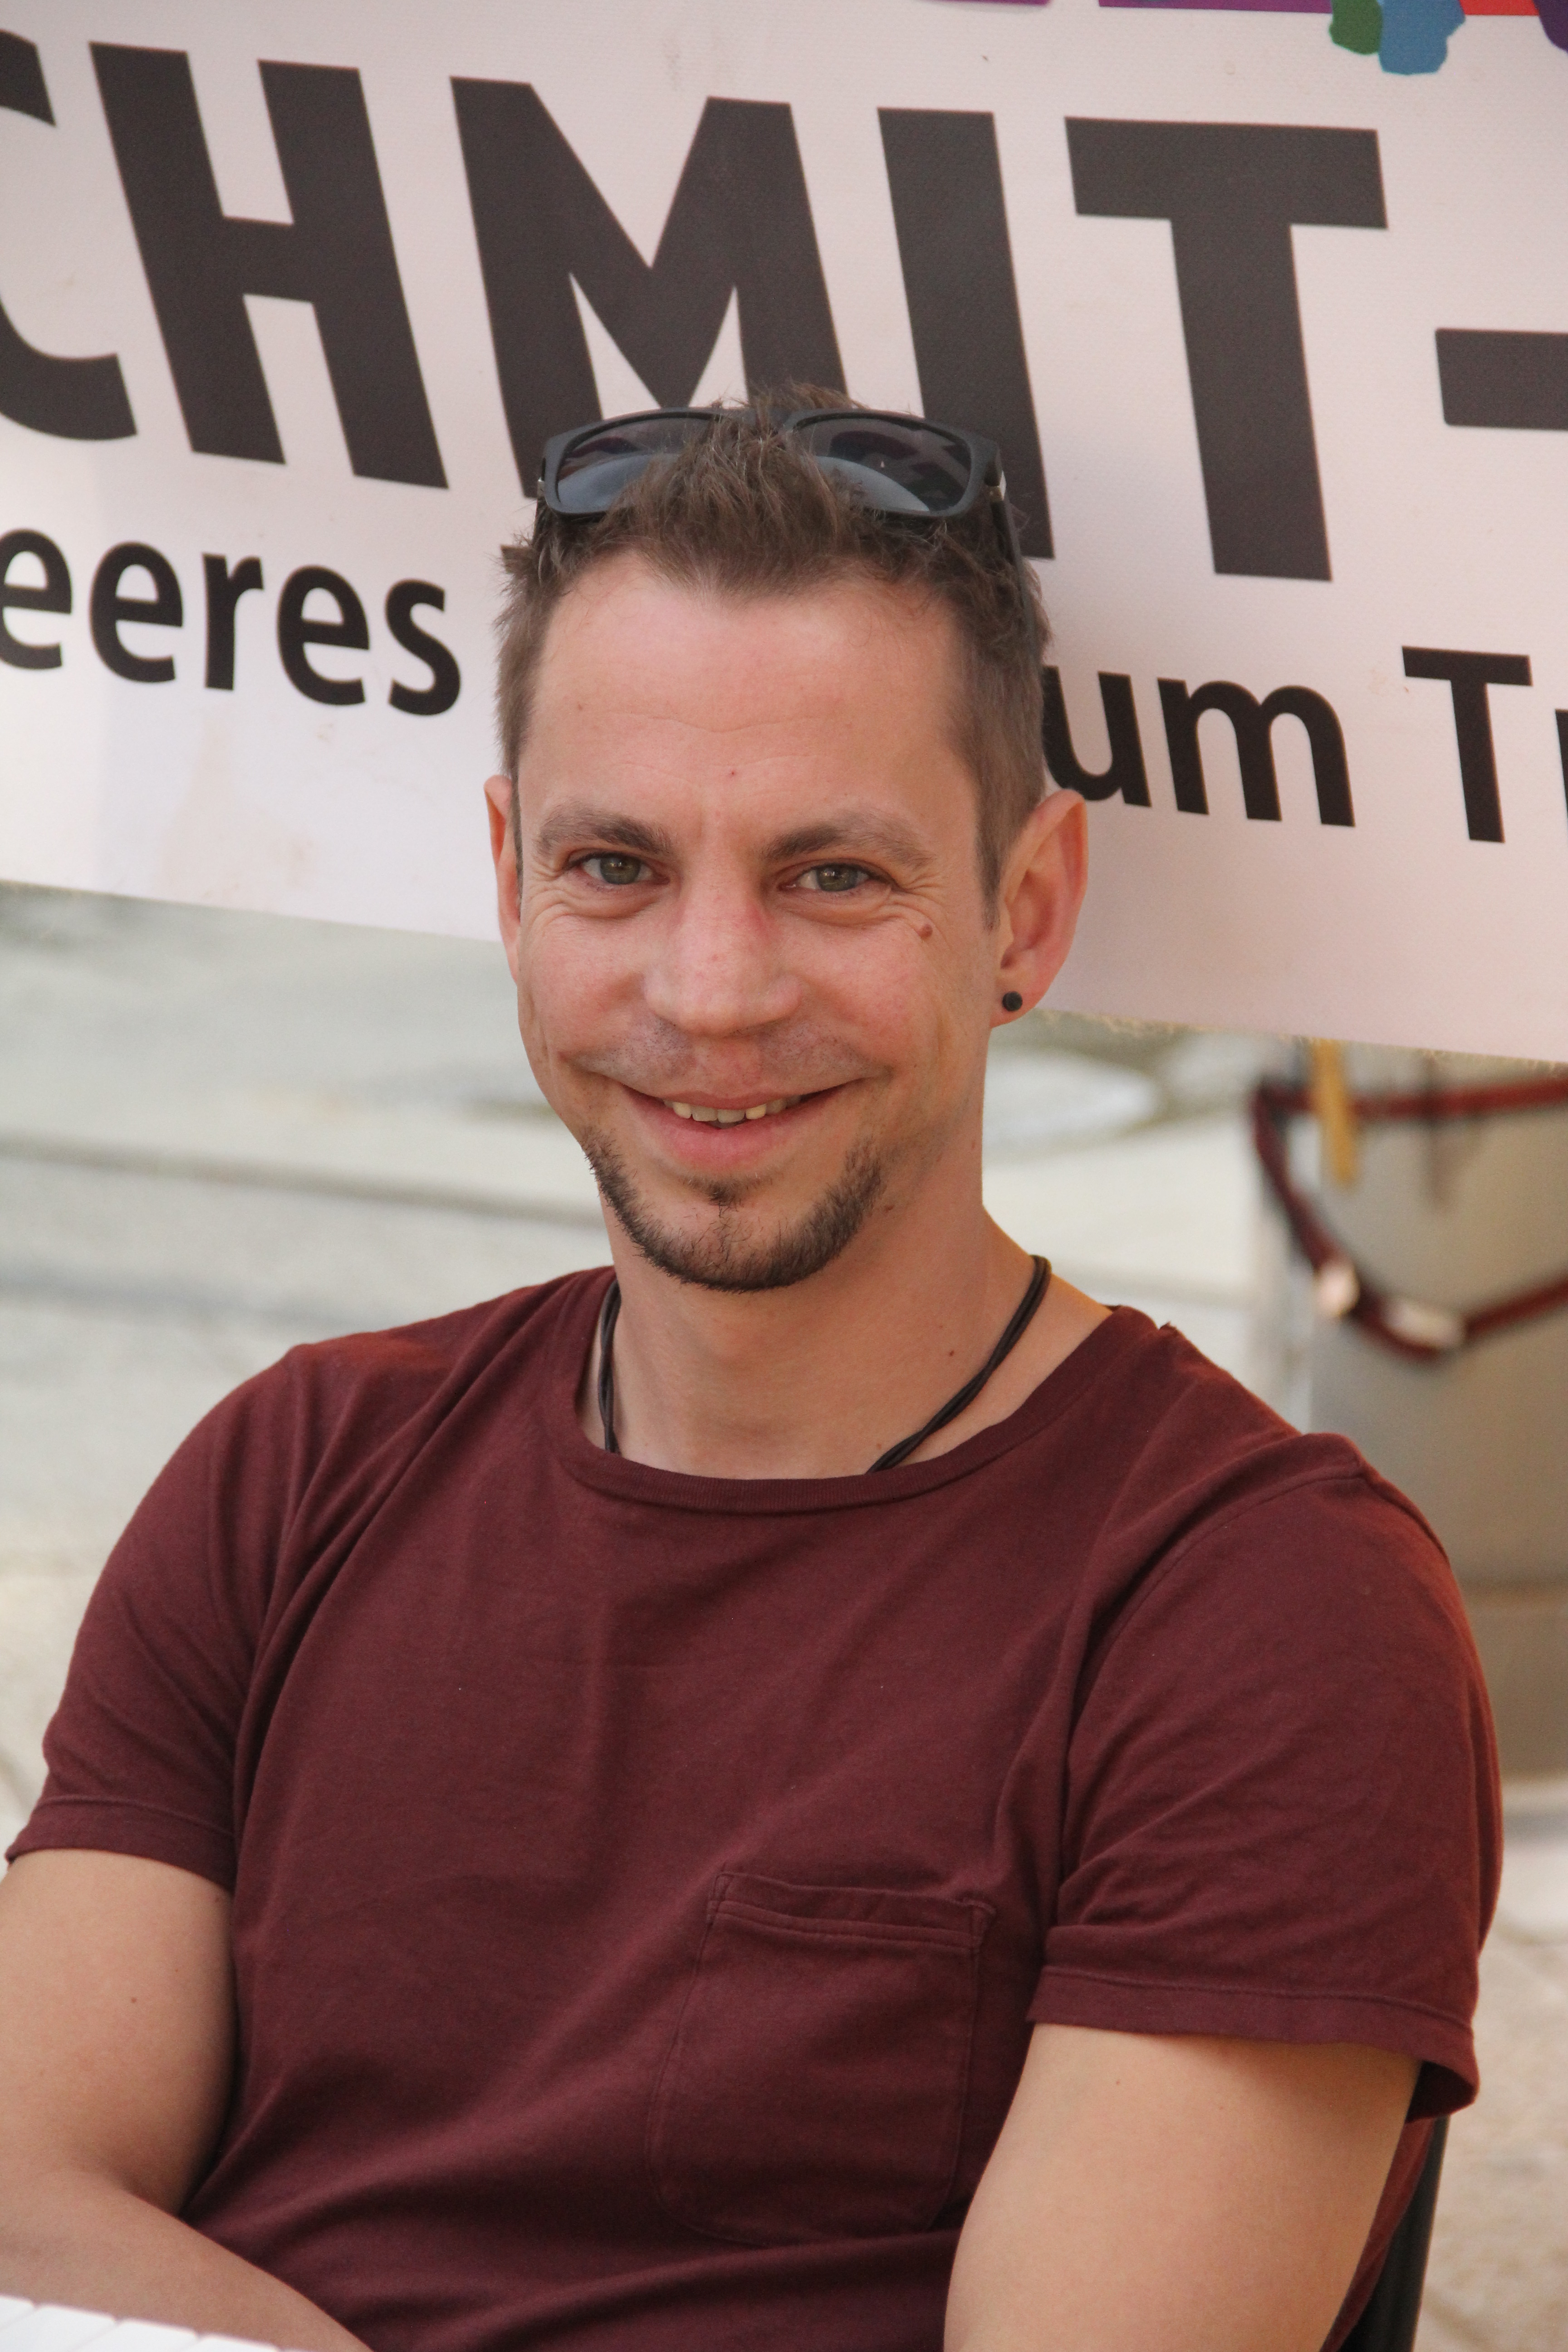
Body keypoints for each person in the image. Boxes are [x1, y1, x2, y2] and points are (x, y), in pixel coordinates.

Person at [0, 395, 1497, 2352]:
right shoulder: (290, 1477)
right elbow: (22, 2199)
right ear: (509, 879)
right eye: (615, 864)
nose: (710, 992)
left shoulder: (1260, 1612)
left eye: (833, 877)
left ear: (1028, 909)